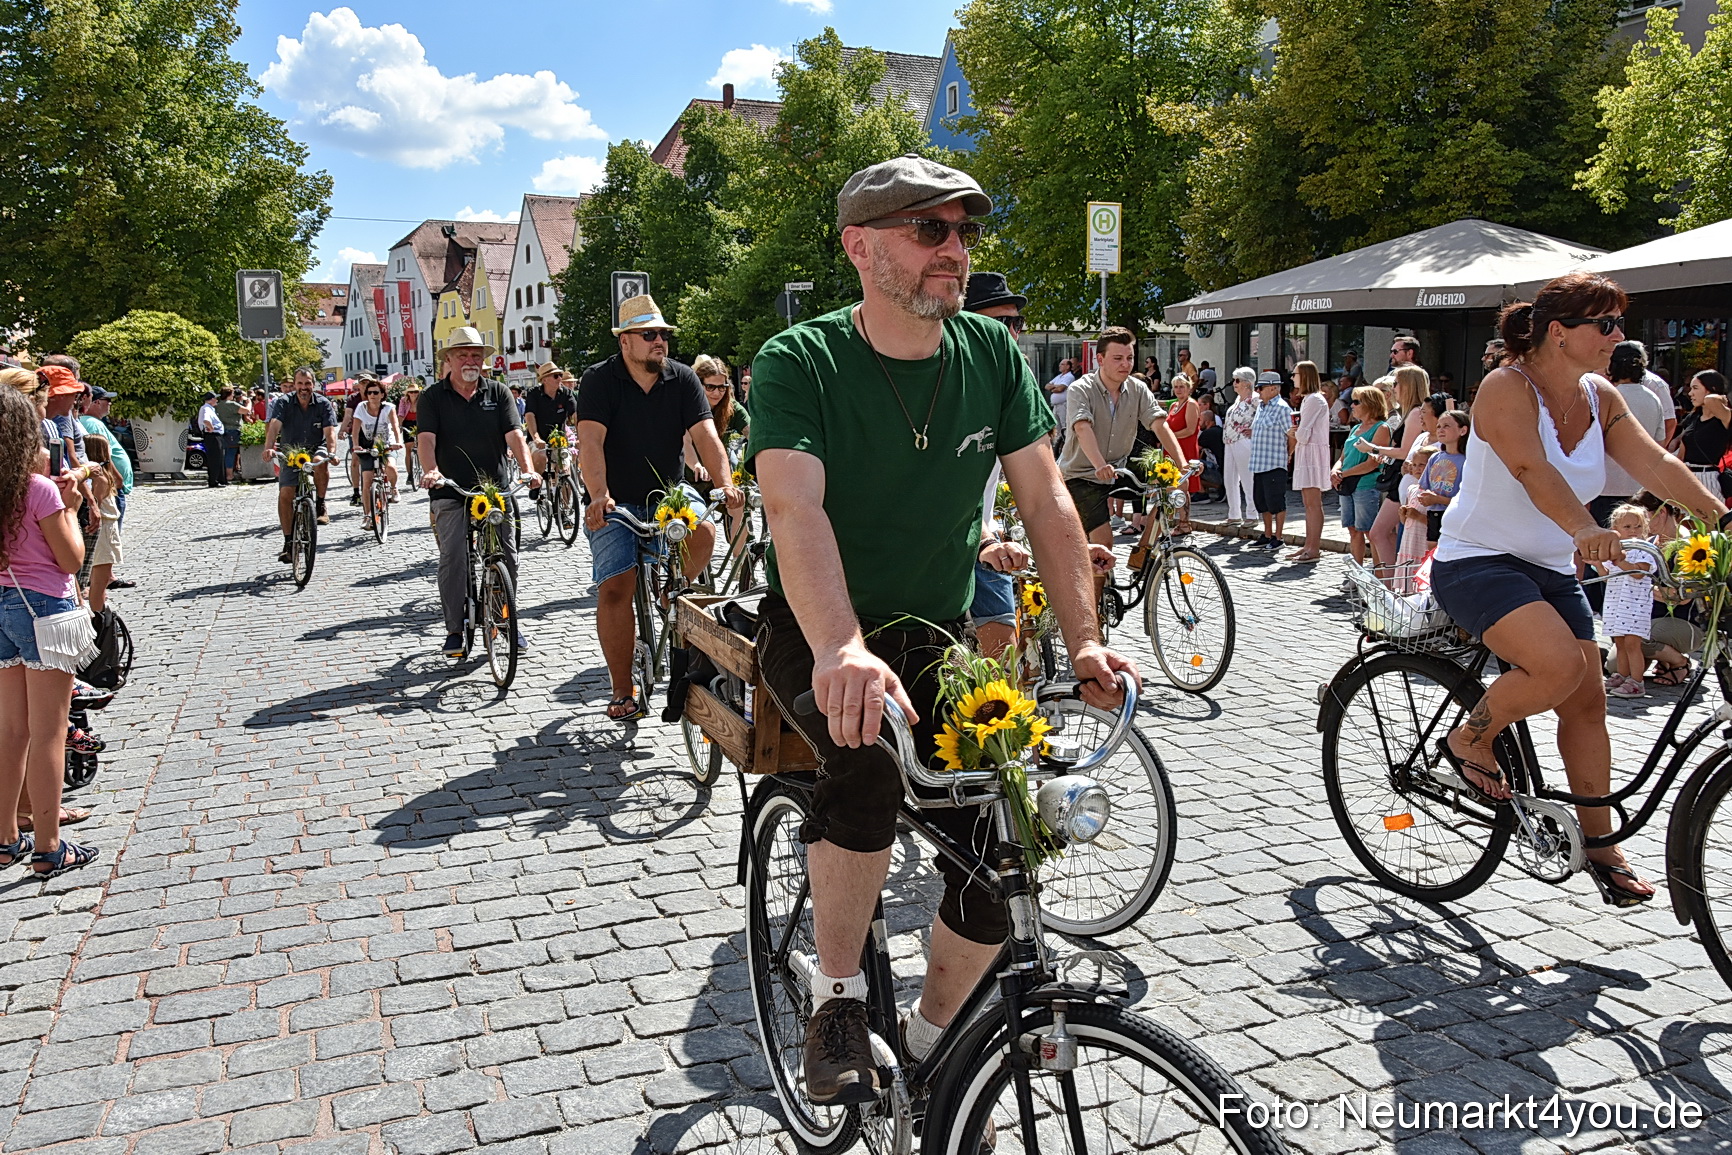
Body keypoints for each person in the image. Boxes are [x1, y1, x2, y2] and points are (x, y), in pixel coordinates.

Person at [748, 154, 1136, 1105]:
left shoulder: (991, 355)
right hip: (816, 624)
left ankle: (929, 1046)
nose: (954, 249)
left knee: (1007, 839)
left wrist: (1084, 639)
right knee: (866, 761)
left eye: (964, 231)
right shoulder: (799, 360)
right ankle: (837, 1002)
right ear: (861, 246)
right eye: (929, 229)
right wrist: (842, 646)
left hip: (934, 629)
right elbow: (795, 509)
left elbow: (1046, 502)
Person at [1430, 272, 1729, 908]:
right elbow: (1530, 467)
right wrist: (1585, 528)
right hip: (1477, 561)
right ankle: (1470, 737)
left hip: (1550, 567)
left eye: (1621, 324)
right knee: (1560, 664)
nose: (1619, 337)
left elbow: (1656, 463)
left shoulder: (1599, 395)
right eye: (1607, 325)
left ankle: (1600, 845)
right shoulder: (1506, 386)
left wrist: (1722, 521)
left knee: (1588, 702)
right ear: (1559, 333)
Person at [577, 296, 739, 721]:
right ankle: (621, 689)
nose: (659, 341)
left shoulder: (682, 378)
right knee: (616, 586)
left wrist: (724, 484)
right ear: (625, 341)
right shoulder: (599, 380)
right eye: (649, 334)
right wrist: (599, 494)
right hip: (615, 498)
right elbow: (590, 441)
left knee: (704, 530)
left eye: (663, 334)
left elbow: (706, 436)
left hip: (668, 493)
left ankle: (671, 590)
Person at [0, 386, 99, 879]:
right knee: (49, 732)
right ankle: (48, 846)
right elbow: (71, 559)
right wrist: (72, 508)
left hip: (1, 606)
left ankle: (4, 839)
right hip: (42, 608)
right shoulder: (36, 489)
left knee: (10, 731)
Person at [416, 328, 539, 658]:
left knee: (507, 555)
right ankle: (455, 629)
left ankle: (505, 619)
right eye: (462, 355)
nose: (470, 361)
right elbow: (426, 439)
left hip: (494, 489)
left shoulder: (498, 392)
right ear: (449, 359)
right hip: (450, 489)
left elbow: (514, 434)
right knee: (454, 555)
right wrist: (432, 470)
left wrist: (528, 469)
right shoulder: (432, 397)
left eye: (475, 355)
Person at [1057, 328, 1188, 572]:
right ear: (1100, 359)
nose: (1125, 364)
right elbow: (1083, 428)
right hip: (1082, 474)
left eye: (1129, 358)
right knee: (1103, 545)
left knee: (1171, 483)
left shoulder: (1137, 388)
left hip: (1120, 465)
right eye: (1118, 358)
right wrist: (1099, 465)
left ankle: (1142, 551)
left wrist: (1183, 464)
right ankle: (1097, 594)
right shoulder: (1081, 388)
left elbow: (1159, 423)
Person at [962, 271, 1033, 660]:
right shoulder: (942, 384)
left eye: (1016, 323)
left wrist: (1068, 544)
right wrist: (986, 541)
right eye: (1000, 322)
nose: (1011, 333)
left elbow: (1041, 488)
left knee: (1003, 671)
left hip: (985, 542)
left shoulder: (1012, 383)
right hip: (929, 560)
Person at [1362, 366, 1432, 575]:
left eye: (1396, 384)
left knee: (1378, 532)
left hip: (1406, 479)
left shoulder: (1414, 413)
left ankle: (1391, 583)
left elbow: (1405, 451)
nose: (1393, 388)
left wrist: (1373, 448)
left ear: (1408, 385)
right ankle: (1391, 579)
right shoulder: (1409, 412)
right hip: (1401, 479)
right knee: (1387, 533)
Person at [262, 368, 339, 557]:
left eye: (307, 383)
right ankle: (289, 542)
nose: (304, 388)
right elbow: (274, 426)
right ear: (295, 385)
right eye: (300, 383)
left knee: (320, 461)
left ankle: (320, 503)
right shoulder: (283, 402)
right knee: (286, 493)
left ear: (313, 384)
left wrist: (332, 453)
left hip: (316, 446)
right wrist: (269, 447)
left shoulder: (323, 403)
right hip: (291, 450)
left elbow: (330, 432)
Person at [1592, 341, 1667, 528]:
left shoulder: (1605, 397)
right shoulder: (1653, 398)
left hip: (1606, 485)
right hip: (1640, 486)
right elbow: (1659, 442)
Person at [1597, 503, 1655, 700]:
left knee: (1632, 643)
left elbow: (1639, 573)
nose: (1633, 531)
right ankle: (1621, 675)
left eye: (1638, 526)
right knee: (1620, 643)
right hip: (1616, 603)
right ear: (1616, 529)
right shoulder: (1617, 549)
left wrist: (1619, 561)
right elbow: (1607, 576)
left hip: (1636, 604)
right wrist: (1598, 564)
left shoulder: (1645, 549)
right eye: (1627, 527)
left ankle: (1637, 681)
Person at [1333, 387, 1393, 565]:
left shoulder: (1381, 428)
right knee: (1353, 529)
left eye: (1356, 402)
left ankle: (1379, 570)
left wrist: (1343, 474)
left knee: (1369, 531)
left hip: (1365, 485)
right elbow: (1343, 457)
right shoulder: (1356, 428)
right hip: (1347, 484)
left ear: (1370, 404)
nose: (1352, 406)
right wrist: (1335, 470)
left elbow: (1372, 463)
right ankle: (1356, 569)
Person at [1288, 360, 1330, 562]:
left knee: (1313, 503)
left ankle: (1314, 547)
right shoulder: (1307, 399)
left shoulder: (1314, 399)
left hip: (1313, 453)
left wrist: (1294, 433)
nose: (1292, 378)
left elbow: (1304, 434)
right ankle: (1308, 544)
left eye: (1295, 374)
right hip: (1307, 452)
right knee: (1308, 503)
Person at [1247, 372, 1292, 549]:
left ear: (1273, 388)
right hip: (1259, 462)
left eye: (1261, 388)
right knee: (1261, 501)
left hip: (1274, 462)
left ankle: (1278, 538)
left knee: (1276, 502)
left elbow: (1292, 434)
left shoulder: (1283, 408)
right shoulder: (1261, 406)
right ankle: (1267, 534)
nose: (1258, 391)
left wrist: (1288, 454)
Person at [82, 438, 124, 613]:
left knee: (101, 578)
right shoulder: (100, 479)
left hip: (108, 527)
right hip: (104, 529)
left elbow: (120, 481)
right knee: (100, 580)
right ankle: (97, 616)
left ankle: (98, 611)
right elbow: (96, 505)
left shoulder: (103, 476)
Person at [1674, 369, 1731, 497]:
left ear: (1712, 389)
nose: (1690, 393)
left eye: (1695, 388)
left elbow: (1711, 400)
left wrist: (1718, 396)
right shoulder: (1693, 417)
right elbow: (1681, 454)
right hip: (1686, 476)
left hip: (1707, 478)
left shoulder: (1724, 417)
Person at [350, 378, 401, 512]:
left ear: (382, 395)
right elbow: (355, 430)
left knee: (390, 466)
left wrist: (397, 442)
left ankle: (393, 488)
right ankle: (368, 515)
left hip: (386, 443)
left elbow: (395, 426)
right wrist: (355, 445)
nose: (372, 395)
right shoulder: (361, 408)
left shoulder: (389, 408)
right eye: (369, 392)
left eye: (376, 392)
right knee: (367, 480)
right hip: (368, 445)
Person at [523, 362, 578, 479]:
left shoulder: (566, 393)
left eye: (560, 375)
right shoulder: (534, 393)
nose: (559, 379)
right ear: (544, 380)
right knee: (541, 456)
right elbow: (529, 415)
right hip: (538, 440)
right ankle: (537, 484)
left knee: (565, 469)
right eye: (555, 376)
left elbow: (576, 415)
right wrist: (536, 438)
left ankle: (565, 487)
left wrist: (582, 437)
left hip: (559, 440)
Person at [1220, 368, 1257, 527]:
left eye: (1237, 380)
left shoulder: (1255, 399)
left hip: (1243, 440)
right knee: (1230, 479)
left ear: (1247, 383)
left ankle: (1252, 514)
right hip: (1230, 441)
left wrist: (1255, 430)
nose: (1234, 383)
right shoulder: (1238, 400)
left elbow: (1265, 416)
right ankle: (1234, 514)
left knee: (1248, 479)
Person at [1165, 374, 1202, 534]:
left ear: (1189, 388)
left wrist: (1169, 437)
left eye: (1182, 386)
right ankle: (1170, 521)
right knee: (1170, 485)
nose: (1178, 390)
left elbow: (1190, 429)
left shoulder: (1191, 404)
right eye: (1176, 387)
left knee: (1182, 485)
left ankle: (1184, 522)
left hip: (1184, 448)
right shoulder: (1174, 405)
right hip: (1171, 449)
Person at [214, 387, 245, 484]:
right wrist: (249, 403)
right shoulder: (231, 404)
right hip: (233, 431)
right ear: (229, 395)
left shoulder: (218, 405)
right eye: (232, 394)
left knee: (225, 452)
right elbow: (246, 411)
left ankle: (225, 474)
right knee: (231, 453)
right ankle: (229, 475)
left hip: (223, 430)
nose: (233, 395)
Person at [196, 390, 226, 488]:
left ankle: (219, 479)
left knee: (218, 458)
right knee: (215, 459)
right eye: (215, 398)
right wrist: (211, 427)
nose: (217, 400)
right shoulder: (206, 409)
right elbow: (206, 420)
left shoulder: (209, 408)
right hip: (212, 436)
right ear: (212, 399)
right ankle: (214, 480)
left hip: (215, 435)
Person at [1045, 358, 1076, 447]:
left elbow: (1060, 389)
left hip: (1063, 405)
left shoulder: (1069, 377)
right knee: (1056, 427)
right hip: (1056, 406)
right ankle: (1057, 446)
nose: (1059, 366)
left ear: (1068, 366)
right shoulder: (1059, 376)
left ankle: (1066, 445)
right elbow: (1046, 386)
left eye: (1062, 364)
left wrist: (1054, 387)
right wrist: (1055, 386)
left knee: (1064, 426)